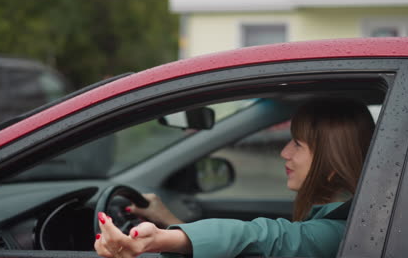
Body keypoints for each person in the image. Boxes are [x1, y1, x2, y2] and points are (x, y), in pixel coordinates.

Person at [94, 98, 376, 258]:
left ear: (332, 161)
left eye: (298, 145)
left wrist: (158, 240)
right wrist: (169, 221)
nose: (283, 152)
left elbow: (266, 238)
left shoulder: (343, 233)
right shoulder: (351, 219)